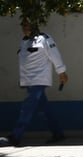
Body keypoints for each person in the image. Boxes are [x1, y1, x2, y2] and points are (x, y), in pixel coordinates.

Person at [0, 17, 68, 147]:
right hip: (28, 80)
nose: (25, 28)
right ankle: (58, 133)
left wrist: (62, 72)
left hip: (39, 79)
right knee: (45, 108)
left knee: (27, 108)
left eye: (28, 25)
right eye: (23, 26)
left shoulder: (44, 39)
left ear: (35, 26)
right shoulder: (24, 42)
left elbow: (55, 55)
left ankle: (15, 136)